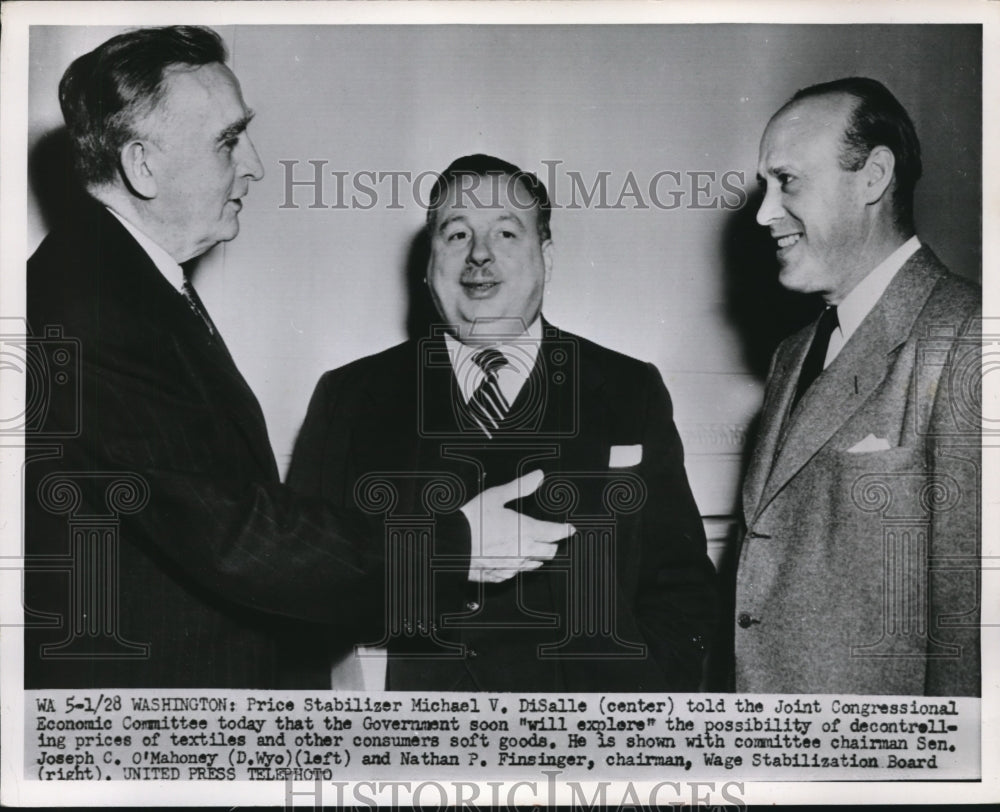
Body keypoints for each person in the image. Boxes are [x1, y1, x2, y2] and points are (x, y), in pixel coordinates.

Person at [24, 28, 570, 688]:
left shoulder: (120, 283)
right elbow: (236, 534)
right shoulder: (95, 305)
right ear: (142, 165)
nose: (252, 163)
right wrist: (453, 542)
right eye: (228, 140)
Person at [287, 154, 718, 692]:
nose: (480, 255)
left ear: (547, 257)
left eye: (507, 234)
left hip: (590, 748)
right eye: (457, 234)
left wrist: (647, 704)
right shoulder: (350, 397)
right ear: (428, 265)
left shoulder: (630, 390)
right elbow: (302, 582)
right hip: (416, 747)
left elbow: (679, 584)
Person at [738, 77, 980, 695]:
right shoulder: (791, 354)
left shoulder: (968, 338)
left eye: (786, 180)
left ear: (873, 177)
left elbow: (970, 633)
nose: (764, 212)